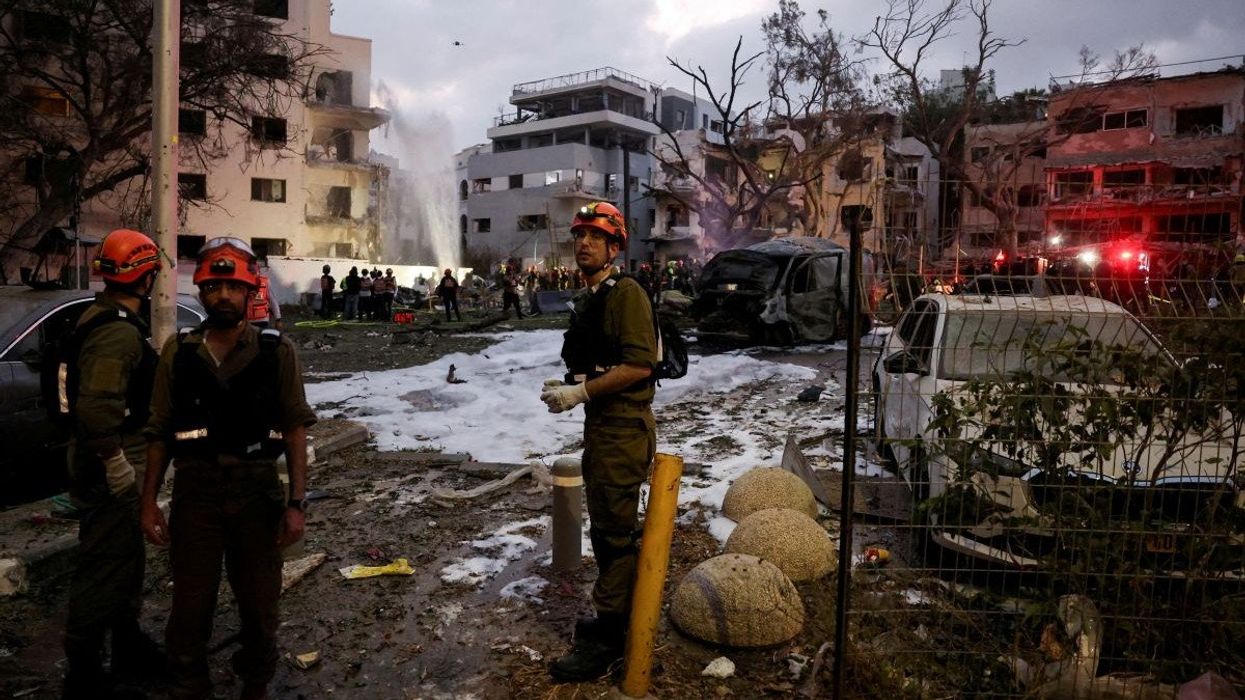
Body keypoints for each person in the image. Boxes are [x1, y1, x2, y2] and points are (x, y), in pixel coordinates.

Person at [140, 237, 316, 700]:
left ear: (248, 292)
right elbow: (157, 433)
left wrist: (297, 503)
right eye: (213, 286)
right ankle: (190, 684)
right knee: (190, 606)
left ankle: (254, 683)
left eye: (231, 287)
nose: (222, 295)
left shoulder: (277, 353)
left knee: (259, 605)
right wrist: (148, 504)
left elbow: (295, 429)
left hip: (256, 493)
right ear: (200, 291)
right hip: (195, 495)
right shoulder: (177, 355)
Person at [540, 202, 657, 682]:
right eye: (579, 235)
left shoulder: (625, 293)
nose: (584, 243)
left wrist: (580, 392)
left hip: (623, 429)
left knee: (615, 533)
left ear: (614, 247)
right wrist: (575, 384)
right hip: (604, 426)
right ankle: (614, 620)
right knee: (608, 530)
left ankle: (611, 641)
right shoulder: (594, 295)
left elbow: (640, 365)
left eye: (595, 236)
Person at [62, 229, 166, 698]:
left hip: (110, 462)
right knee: (104, 565)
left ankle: (127, 648)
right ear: (146, 276)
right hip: (110, 466)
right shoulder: (118, 333)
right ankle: (83, 676)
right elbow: (98, 411)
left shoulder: (103, 315)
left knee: (124, 559)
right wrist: (118, 466)